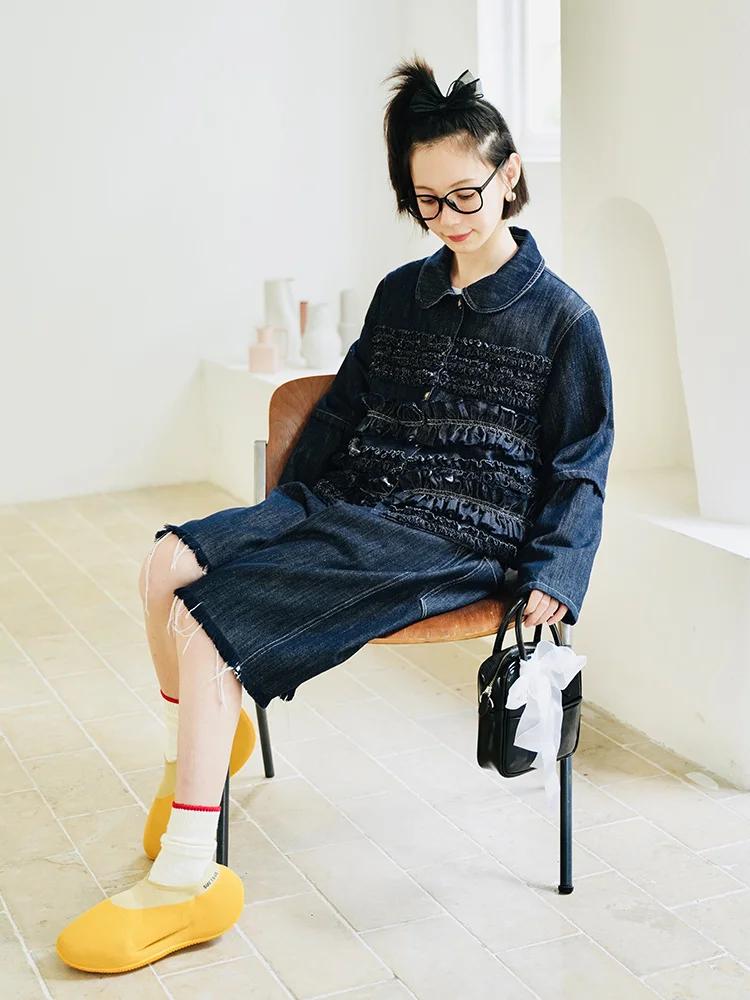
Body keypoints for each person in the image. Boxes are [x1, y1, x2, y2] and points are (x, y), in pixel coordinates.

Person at [56, 56, 614, 973]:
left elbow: (582, 461)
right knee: (165, 567)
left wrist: (557, 572)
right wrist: (281, 516)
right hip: (348, 499)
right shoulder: (402, 293)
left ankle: (189, 875)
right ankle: (209, 743)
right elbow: (345, 408)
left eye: (465, 195)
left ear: (509, 173)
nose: (448, 218)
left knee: (207, 623)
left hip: (458, 533)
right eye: (426, 202)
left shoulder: (564, 321)